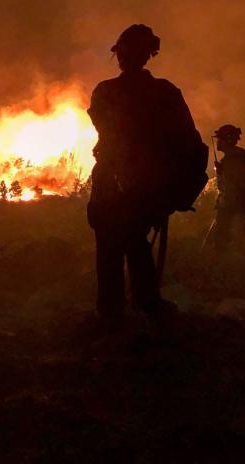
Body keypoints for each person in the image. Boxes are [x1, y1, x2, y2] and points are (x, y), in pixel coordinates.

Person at [87, 24, 205, 321]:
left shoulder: (107, 92)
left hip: (125, 183)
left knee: (115, 246)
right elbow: (188, 142)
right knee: (133, 243)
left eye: (126, 52)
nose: (124, 57)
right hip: (139, 184)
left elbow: (112, 132)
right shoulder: (164, 92)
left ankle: (118, 312)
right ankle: (143, 306)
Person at [208, 124, 245, 252]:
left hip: (233, 206)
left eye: (220, 139)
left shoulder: (234, 160)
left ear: (227, 140)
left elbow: (234, 187)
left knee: (228, 245)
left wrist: (225, 205)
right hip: (233, 205)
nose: (218, 142)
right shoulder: (233, 158)